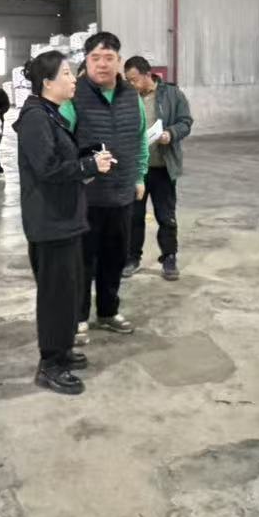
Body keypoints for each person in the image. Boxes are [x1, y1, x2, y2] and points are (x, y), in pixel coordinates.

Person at [15, 50, 115, 395]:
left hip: (65, 219)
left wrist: (88, 156)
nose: (75, 79)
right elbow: (47, 168)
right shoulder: (35, 118)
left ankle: (62, 349)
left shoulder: (50, 114)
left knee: (69, 291)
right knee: (56, 297)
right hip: (50, 223)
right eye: (68, 74)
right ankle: (50, 365)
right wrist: (88, 167)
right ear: (48, 82)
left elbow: (61, 158)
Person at [66, 31, 148, 338]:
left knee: (115, 257)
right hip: (85, 195)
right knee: (82, 260)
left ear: (119, 61)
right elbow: (62, 144)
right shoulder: (73, 96)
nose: (102, 64)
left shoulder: (131, 96)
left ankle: (108, 312)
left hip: (122, 192)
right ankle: (78, 317)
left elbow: (140, 138)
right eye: (95, 58)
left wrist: (139, 176)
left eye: (109, 58)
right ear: (86, 61)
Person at [123, 56, 192, 282]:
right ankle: (132, 258)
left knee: (166, 216)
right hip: (137, 170)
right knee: (134, 216)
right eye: (128, 80)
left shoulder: (172, 94)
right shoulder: (128, 97)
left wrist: (170, 134)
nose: (131, 84)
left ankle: (169, 257)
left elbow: (185, 121)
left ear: (147, 74)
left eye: (134, 79)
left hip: (163, 167)